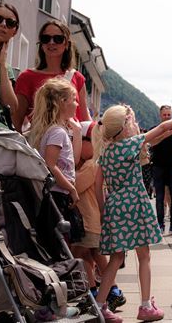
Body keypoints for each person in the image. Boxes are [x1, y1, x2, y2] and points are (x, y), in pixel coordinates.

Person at [93, 100, 172, 322]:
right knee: (144, 256)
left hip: (114, 207)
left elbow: (97, 185)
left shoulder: (106, 152)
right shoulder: (130, 145)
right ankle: (146, 306)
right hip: (135, 204)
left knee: (116, 258)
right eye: (132, 121)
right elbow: (163, 128)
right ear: (125, 125)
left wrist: (102, 211)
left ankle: (100, 306)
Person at [73, 121, 125, 312]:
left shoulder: (89, 165)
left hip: (89, 220)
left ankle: (94, 292)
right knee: (95, 255)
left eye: (83, 139)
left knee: (82, 254)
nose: (76, 143)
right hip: (92, 220)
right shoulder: (91, 163)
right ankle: (112, 291)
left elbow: (75, 187)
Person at [29, 78, 84, 243]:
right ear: (62, 102)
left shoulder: (55, 131)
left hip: (57, 194)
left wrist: (78, 132)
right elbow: (50, 165)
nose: (77, 104)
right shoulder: (57, 132)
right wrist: (71, 188)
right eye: (74, 100)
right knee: (60, 241)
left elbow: (72, 160)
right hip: (57, 195)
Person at [13, 20, 91, 131]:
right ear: (41, 44)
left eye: (58, 39)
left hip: (72, 145)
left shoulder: (77, 78)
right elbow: (17, 120)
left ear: (66, 44)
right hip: (40, 144)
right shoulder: (26, 77)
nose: (51, 42)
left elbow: (84, 120)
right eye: (46, 38)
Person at [149, 105, 172, 236]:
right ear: (160, 116)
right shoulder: (155, 130)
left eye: (169, 115)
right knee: (160, 197)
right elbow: (151, 143)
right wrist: (164, 134)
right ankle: (160, 224)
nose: (167, 117)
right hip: (158, 167)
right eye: (165, 115)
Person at [0, 3, 19, 129]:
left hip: (0, 134)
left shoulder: (5, 67)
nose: (3, 25)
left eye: (10, 23)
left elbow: (11, 108)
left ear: (14, 32)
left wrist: (2, 66)